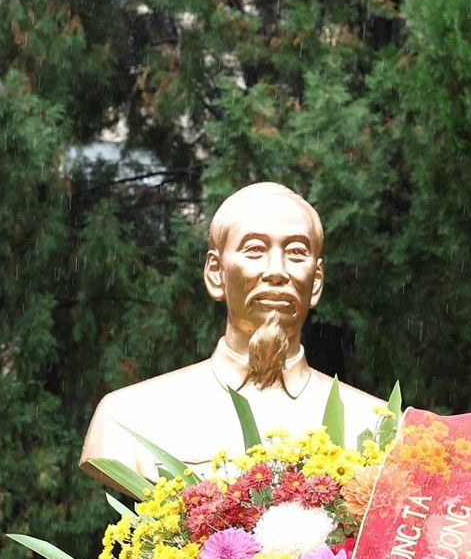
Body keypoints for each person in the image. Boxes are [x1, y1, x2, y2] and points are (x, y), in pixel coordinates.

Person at [79, 182, 384, 486]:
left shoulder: (379, 428)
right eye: (254, 250)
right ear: (216, 273)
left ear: (316, 281)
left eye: (295, 252)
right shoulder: (130, 418)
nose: (277, 271)